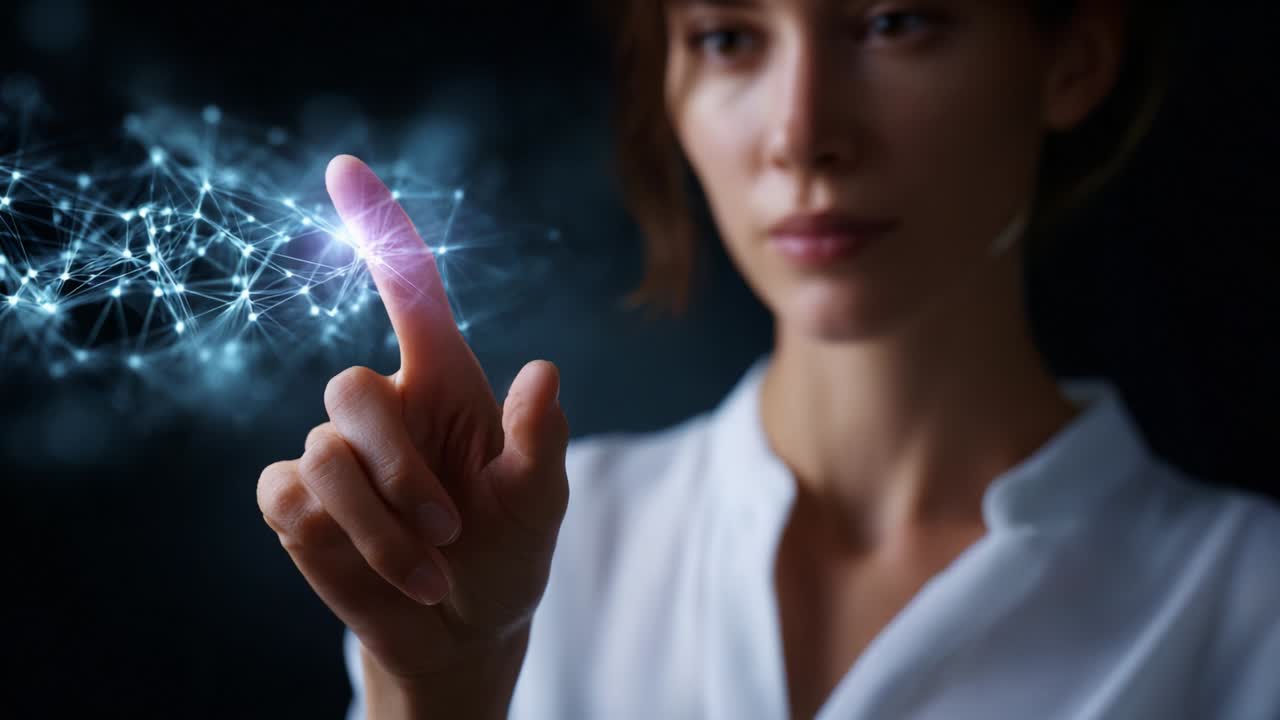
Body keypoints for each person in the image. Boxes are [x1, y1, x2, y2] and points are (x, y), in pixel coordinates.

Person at [256, 1, 1280, 718]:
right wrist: (440, 690)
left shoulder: (1247, 609)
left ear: (1073, 58)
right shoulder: (525, 550)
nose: (800, 133)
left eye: (894, 21)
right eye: (728, 37)